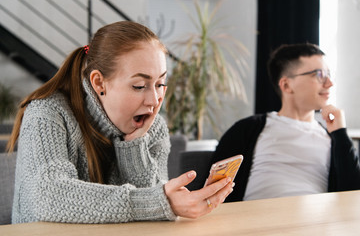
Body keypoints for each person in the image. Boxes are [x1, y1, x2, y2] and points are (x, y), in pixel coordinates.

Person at [7, 21, 234, 224]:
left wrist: (135, 143)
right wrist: (157, 202)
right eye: (139, 86)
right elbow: (48, 196)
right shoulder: (47, 114)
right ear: (99, 83)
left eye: (160, 84)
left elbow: (152, 217)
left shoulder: (153, 127)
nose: (154, 100)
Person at [211, 43, 360, 202]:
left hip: (316, 222)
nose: (329, 83)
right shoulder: (248, 129)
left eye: (329, 74)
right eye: (319, 74)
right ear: (286, 85)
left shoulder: (333, 138)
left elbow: (353, 196)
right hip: (257, 220)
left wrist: (340, 134)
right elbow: (212, 191)